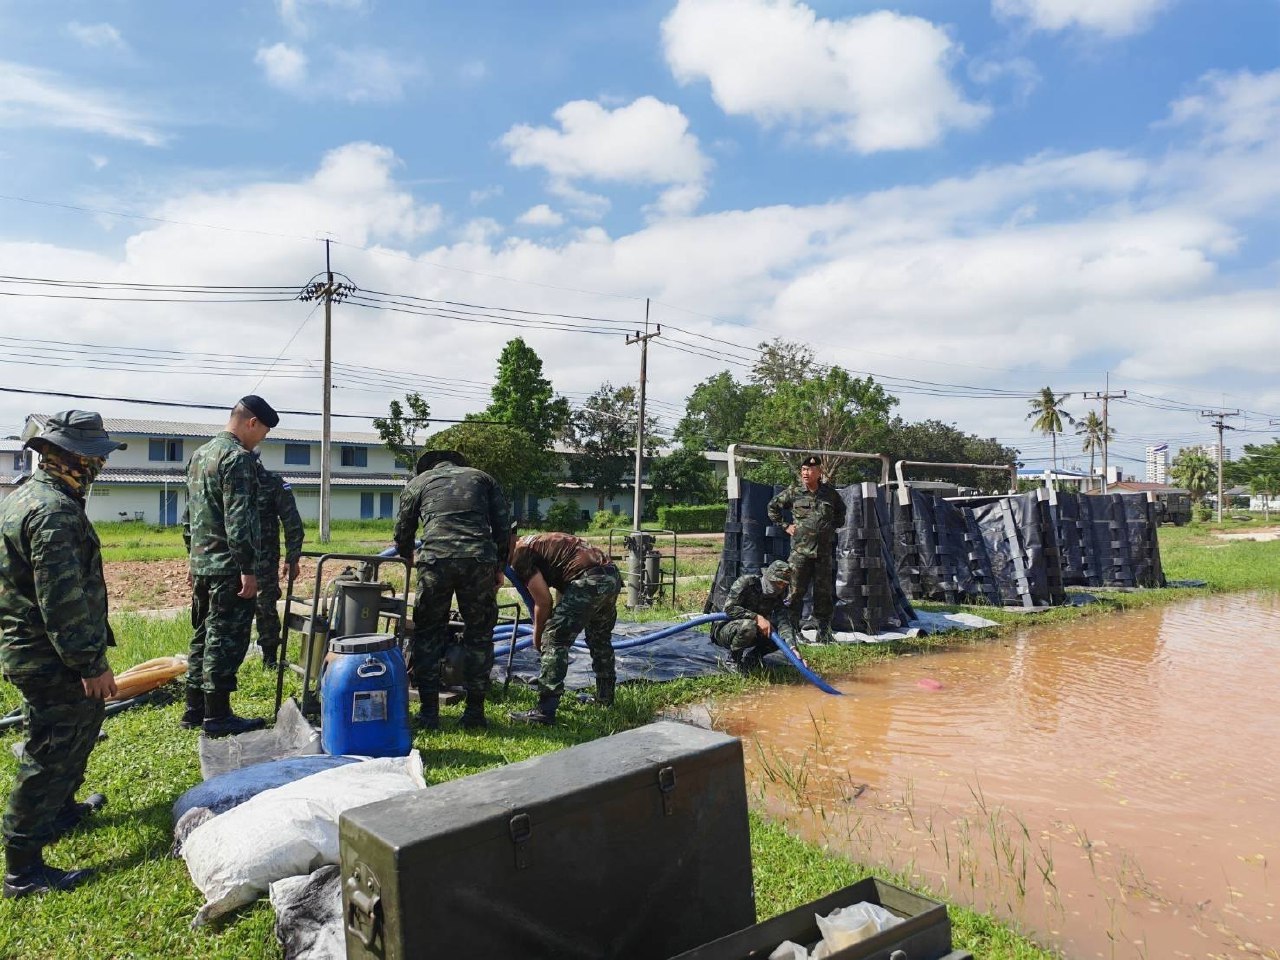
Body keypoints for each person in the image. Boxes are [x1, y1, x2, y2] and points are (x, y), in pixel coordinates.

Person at [0, 411, 122, 898]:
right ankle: (22, 867)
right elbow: (62, 600)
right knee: (51, 751)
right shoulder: (53, 512)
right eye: (95, 456)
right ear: (72, 456)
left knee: (70, 734)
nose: (100, 464)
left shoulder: (29, 496)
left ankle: (61, 809)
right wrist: (90, 664)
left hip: (37, 650)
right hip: (52, 657)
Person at [181, 396, 277, 736]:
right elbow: (239, 520)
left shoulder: (200, 454)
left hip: (204, 563)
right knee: (225, 640)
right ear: (252, 423)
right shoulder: (237, 459)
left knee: (203, 635)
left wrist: (193, 556)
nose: (262, 438)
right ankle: (217, 716)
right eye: (264, 431)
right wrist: (247, 568)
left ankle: (193, 709)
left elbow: (189, 516)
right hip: (229, 568)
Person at [394, 450, 509, 731]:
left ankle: (429, 713)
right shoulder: (483, 479)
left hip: (436, 562)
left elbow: (403, 529)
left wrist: (407, 555)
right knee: (479, 635)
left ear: (429, 466)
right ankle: (474, 713)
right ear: (459, 464)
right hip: (478, 560)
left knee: (428, 634)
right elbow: (503, 526)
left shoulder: (418, 482)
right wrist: (499, 566)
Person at [507, 532, 623, 726]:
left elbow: (543, 602)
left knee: (554, 640)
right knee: (599, 639)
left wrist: (540, 637)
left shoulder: (520, 556)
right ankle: (605, 699)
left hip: (587, 582)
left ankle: (545, 711)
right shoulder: (539, 542)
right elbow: (564, 583)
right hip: (611, 575)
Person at [767, 455, 847, 644]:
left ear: (819, 472)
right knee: (795, 593)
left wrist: (829, 527)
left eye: (810, 470)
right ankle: (794, 631)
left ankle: (824, 632)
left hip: (823, 554)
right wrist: (785, 525)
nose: (805, 473)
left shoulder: (829, 494)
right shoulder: (794, 492)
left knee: (824, 594)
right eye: (803, 469)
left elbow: (841, 512)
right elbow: (772, 507)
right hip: (800, 554)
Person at [252, 453, 304, 669]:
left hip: (264, 558)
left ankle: (270, 657)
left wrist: (292, 558)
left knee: (265, 605)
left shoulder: (273, 483)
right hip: (231, 557)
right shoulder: (230, 481)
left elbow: (292, 521)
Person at [712, 560, 801, 671]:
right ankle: (733, 659)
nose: (781, 587)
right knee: (749, 625)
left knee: (778, 634)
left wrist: (792, 648)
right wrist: (757, 618)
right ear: (768, 578)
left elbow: (784, 623)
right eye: (778, 583)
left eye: (784, 584)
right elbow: (730, 609)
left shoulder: (778, 595)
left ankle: (753, 657)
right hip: (726, 630)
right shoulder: (746, 583)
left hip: (752, 631)